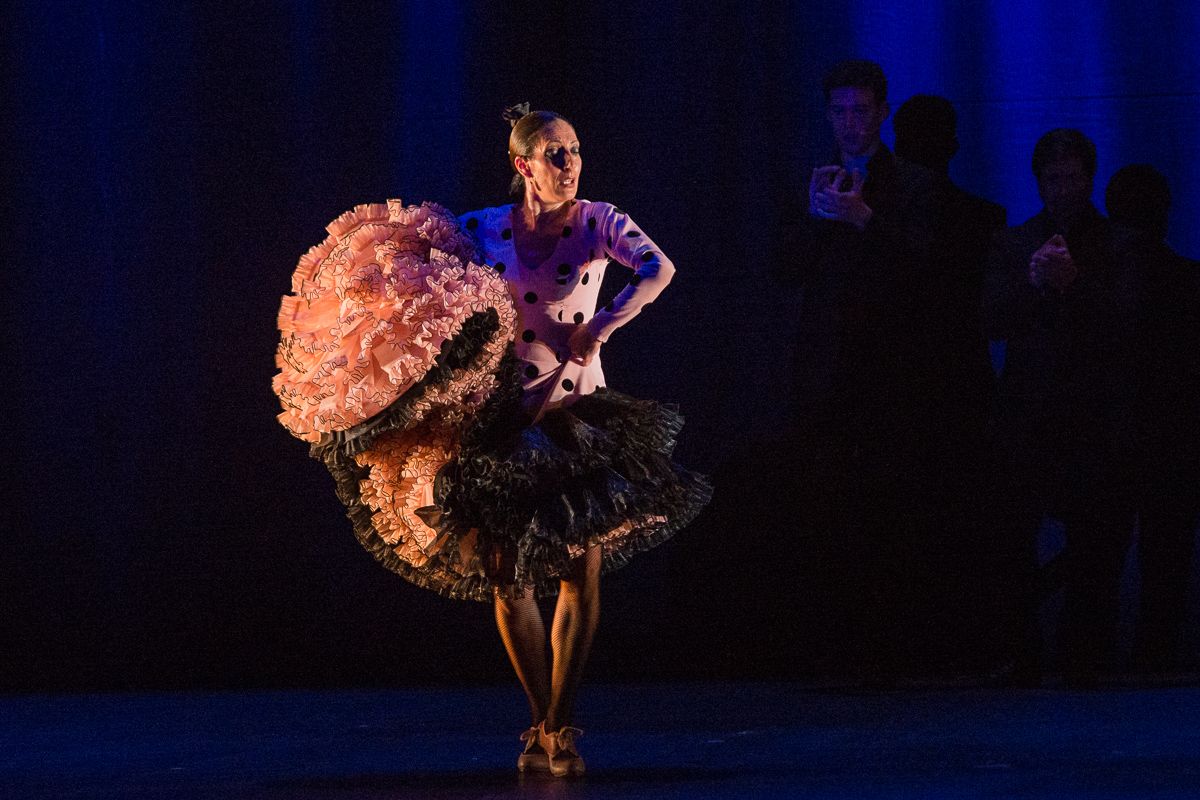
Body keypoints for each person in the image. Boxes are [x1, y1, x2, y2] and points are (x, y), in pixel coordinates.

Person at [271, 106, 710, 779]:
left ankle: (561, 725)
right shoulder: (482, 229)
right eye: (554, 153)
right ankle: (541, 718)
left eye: (574, 150)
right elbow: (423, 284)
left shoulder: (597, 222)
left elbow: (659, 268)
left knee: (578, 571)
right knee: (508, 581)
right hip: (504, 424)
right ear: (522, 164)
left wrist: (602, 325)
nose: (569, 164)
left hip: (578, 415)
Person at [774, 60, 938, 681]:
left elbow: (930, 272)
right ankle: (831, 652)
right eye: (839, 111)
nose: (849, 123)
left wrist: (865, 219)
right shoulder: (813, 180)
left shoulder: (913, 184)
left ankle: (889, 653)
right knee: (824, 511)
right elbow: (783, 270)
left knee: (889, 512)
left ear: (882, 113)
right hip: (824, 373)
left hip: (891, 374)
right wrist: (818, 218)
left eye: (860, 111)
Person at [983, 129, 1139, 687]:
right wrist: (1034, 283)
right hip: (1028, 416)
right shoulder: (1014, 241)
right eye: (1053, 179)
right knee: (1012, 542)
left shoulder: (1119, 244)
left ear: (1090, 179)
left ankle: (1085, 655)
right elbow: (991, 319)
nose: (1063, 189)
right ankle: (1021, 652)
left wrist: (1072, 284)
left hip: (1094, 417)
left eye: (1072, 178)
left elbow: (1129, 324)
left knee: (1095, 543)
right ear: (1038, 181)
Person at [1105, 164, 1200, 674]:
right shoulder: (1189, 281)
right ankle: (1155, 658)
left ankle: (1090, 655)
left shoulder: (1094, 281)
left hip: (1108, 436)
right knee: (1167, 555)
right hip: (1174, 440)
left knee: (1099, 554)